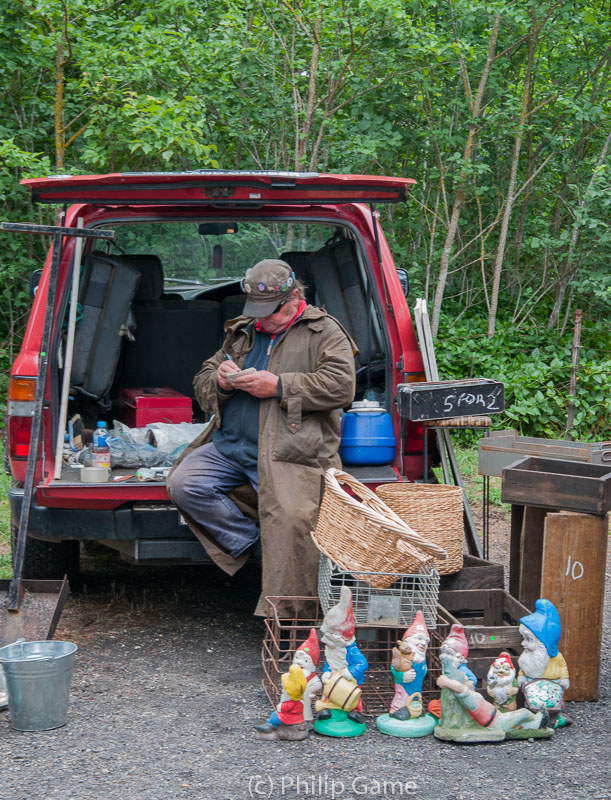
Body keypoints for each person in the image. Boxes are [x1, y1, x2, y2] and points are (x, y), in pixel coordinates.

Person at [167, 259, 356, 615]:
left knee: (292, 522)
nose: (262, 318)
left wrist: (281, 386)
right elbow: (204, 377)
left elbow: (342, 386)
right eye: (257, 310)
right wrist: (220, 380)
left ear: (294, 297)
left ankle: (290, 627)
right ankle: (255, 547)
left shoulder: (325, 331)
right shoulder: (244, 330)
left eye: (271, 311)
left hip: (290, 452)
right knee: (185, 484)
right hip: (230, 448)